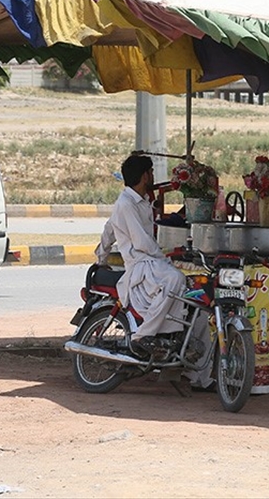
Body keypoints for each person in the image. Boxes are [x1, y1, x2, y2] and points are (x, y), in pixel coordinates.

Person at [94, 155, 213, 389]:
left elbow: (109, 230)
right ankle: (143, 336)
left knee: (197, 308)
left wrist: (101, 256)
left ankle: (200, 377)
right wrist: (164, 257)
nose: (153, 176)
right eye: (150, 172)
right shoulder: (126, 204)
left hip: (152, 263)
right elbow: (141, 242)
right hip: (141, 266)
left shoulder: (141, 201)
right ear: (144, 176)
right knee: (175, 278)